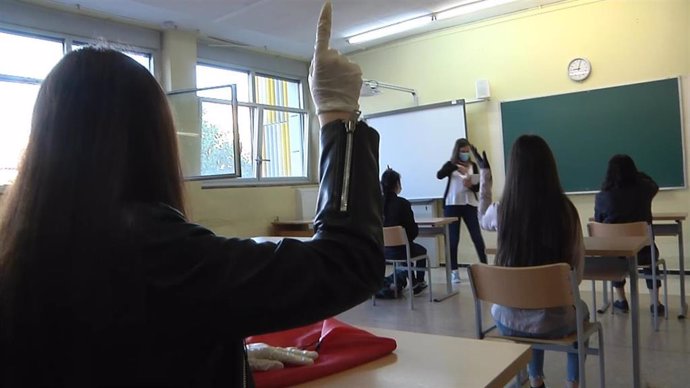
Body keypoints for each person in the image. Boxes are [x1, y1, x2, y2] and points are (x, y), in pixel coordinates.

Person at [0, 2, 384, 387]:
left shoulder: (19, 249)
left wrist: (212, 346)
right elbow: (347, 262)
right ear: (151, 142)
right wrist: (338, 118)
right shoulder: (158, 252)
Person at [473, 135, 586, 388]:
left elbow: (481, 217)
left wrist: (485, 177)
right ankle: (573, 385)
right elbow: (576, 276)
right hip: (558, 321)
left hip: (508, 320)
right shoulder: (567, 211)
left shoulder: (501, 211)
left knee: (528, 311)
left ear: (513, 171)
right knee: (580, 314)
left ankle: (535, 381)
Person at [594, 154, 664, 314]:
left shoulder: (602, 197)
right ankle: (655, 303)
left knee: (612, 254)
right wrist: (638, 174)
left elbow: (598, 222)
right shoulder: (645, 190)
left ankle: (621, 300)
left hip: (616, 256)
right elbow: (654, 185)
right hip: (644, 254)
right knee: (649, 252)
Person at [436, 138, 487, 283]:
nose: (465, 153)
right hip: (452, 205)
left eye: (467, 151)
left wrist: (470, 184)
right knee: (453, 239)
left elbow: (478, 187)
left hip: (469, 204)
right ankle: (454, 271)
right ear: (457, 151)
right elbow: (439, 175)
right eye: (462, 151)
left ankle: (485, 267)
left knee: (477, 237)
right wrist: (456, 167)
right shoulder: (450, 165)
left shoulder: (473, 166)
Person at [380, 168, 428, 296]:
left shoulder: (377, 204)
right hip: (401, 250)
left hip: (383, 250)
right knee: (419, 250)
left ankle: (414, 282)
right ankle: (419, 281)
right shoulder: (403, 203)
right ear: (397, 184)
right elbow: (412, 231)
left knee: (404, 250)